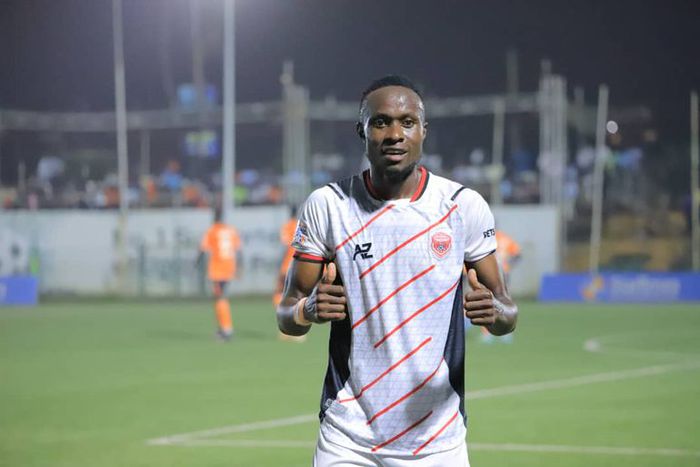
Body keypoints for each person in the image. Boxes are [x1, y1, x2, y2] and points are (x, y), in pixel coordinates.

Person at [276, 75, 517, 466]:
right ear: (362, 131)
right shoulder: (329, 205)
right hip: (348, 439)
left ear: (423, 131)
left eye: (407, 122)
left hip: (437, 441)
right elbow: (288, 315)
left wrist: (496, 313)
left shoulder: (462, 206)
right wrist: (308, 309)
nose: (394, 134)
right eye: (380, 122)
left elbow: (507, 312)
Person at [197, 207, 241, 341]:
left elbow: (202, 249)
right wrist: (239, 267)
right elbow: (238, 249)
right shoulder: (231, 230)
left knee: (220, 297)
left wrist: (196, 263)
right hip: (229, 267)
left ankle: (227, 329)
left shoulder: (212, 231)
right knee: (220, 296)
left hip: (217, 269)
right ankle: (222, 328)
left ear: (214, 217)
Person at [479, 230, 521, 343]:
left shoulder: (484, 237)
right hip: (502, 273)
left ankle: (488, 333)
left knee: (487, 301)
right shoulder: (505, 238)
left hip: (489, 273)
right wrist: (508, 265)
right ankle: (505, 331)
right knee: (504, 300)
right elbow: (517, 255)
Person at [273, 206, 307, 343]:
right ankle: (299, 332)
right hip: (300, 264)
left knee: (279, 293)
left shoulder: (287, 226)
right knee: (298, 296)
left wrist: (280, 266)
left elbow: (285, 247)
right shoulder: (303, 227)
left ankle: (286, 328)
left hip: (288, 264)